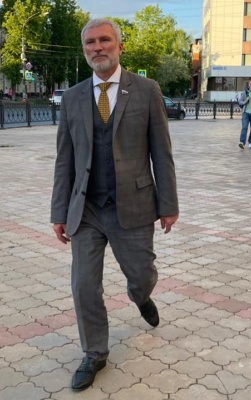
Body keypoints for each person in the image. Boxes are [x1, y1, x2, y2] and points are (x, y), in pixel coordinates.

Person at [50, 18, 179, 391]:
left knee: (141, 274)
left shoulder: (146, 90)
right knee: (83, 285)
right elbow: (64, 159)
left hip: (134, 205)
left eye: (104, 40)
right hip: (87, 209)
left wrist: (168, 204)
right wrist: (59, 212)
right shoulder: (72, 98)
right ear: (84, 50)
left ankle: (141, 296)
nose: (97, 47)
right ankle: (95, 353)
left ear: (119, 46)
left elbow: (161, 153)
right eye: (90, 42)